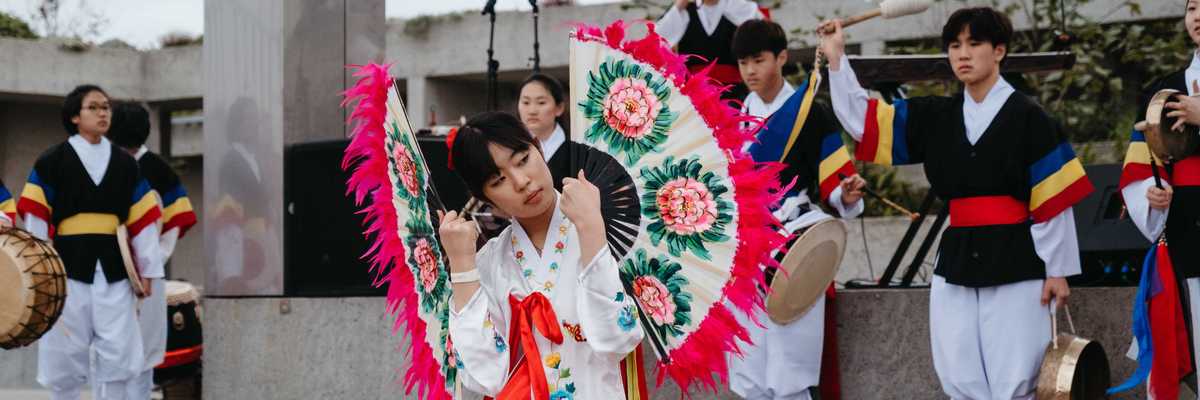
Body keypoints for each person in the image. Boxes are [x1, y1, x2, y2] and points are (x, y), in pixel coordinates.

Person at [820, 7, 1092, 399]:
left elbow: (1053, 200)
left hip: (1018, 259)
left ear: (999, 51)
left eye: (974, 43)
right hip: (957, 259)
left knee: (1017, 378)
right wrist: (836, 58)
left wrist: (1058, 270)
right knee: (959, 375)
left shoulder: (1030, 117)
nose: (962, 53)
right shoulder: (937, 116)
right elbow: (864, 120)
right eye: (954, 45)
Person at [441, 112, 644, 399]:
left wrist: (591, 231)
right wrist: (462, 266)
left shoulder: (603, 224)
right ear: (486, 198)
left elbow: (618, 340)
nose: (521, 181)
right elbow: (484, 377)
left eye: (523, 159)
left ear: (538, 147)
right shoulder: (489, 263)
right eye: (499, 179)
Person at [728, 19, 865, 400]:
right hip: (742, 248)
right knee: (746, 365)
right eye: (743, 63)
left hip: (795, 241)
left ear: (782, 57)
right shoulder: (728, 117)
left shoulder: (810, 113)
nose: (750, 71)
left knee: (791, 366)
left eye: (758, 60)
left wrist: (846, 196)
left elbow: (835, 183)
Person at [19, 84, 163, 400]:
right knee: (65, 350)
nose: (103, 113)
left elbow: (142, 222)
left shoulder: (126, 164)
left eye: (106, 107)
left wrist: (149, 269)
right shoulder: (52, 160)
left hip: (114, 269)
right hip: (65, 268)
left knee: (118, 348)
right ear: (74, 116)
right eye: (94, 107)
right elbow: (37, 217)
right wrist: (37, 271)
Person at [1117, 0, 1200, 392]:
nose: (1197, 16)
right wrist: (1151, 192)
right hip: (1190, 229)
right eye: (1192, 7)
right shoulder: (1163, 91)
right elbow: (1142, 162)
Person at [100, 101, 198, 399]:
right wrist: (154, 258)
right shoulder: (160, 170)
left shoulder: (104, 165)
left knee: (115, 350)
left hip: (111, 273)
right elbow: (178, 221)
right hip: (146, 276)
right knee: (141, 352)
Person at [656, 0, 763, 100]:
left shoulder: (738, 7)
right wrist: (679, 6)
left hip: (734, 91)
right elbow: (657, 39)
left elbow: (765, 39)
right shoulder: (683, 9)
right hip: (694, 93)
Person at [518, 73, 583, 191]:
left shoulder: (577, 151)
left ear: (559, 108)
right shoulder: (512, 147)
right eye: (526, 102)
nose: (532, 111)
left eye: (541, 102)